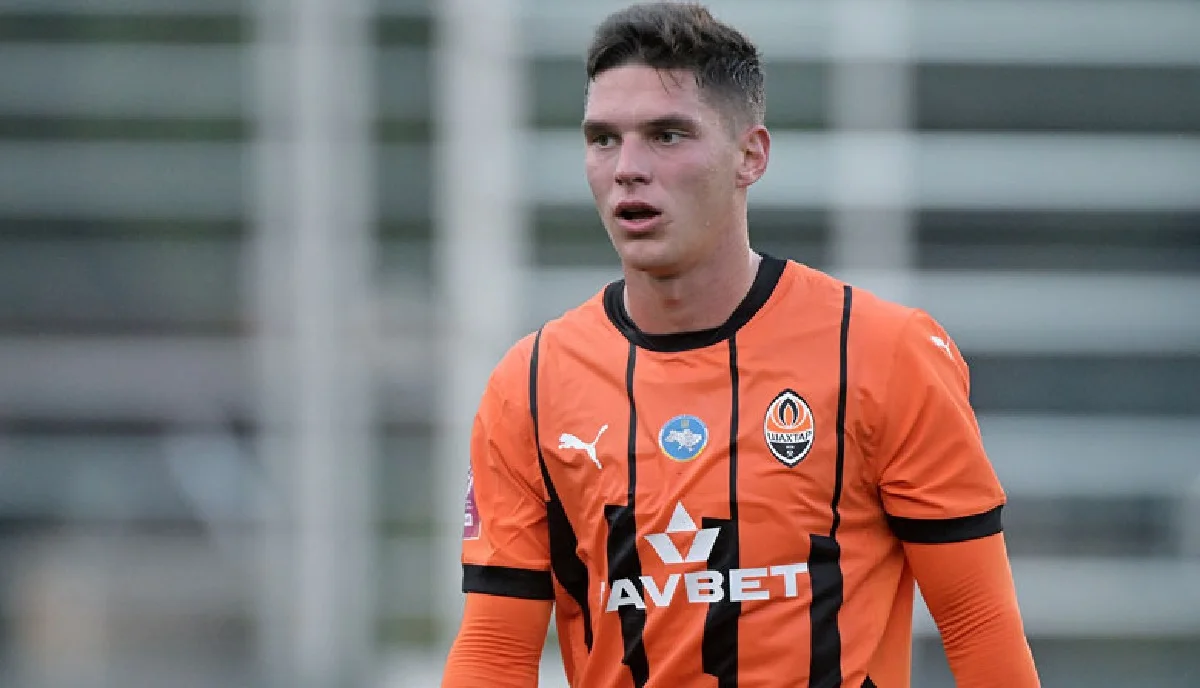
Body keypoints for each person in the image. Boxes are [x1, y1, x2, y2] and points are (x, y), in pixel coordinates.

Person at [441, 3, 1040, 686]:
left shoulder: (884, 352)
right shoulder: (531, 384)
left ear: (750, 155)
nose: (628, 167)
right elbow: (494, 650)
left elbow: (977, 624)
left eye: (667, 135)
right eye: (603, 139)